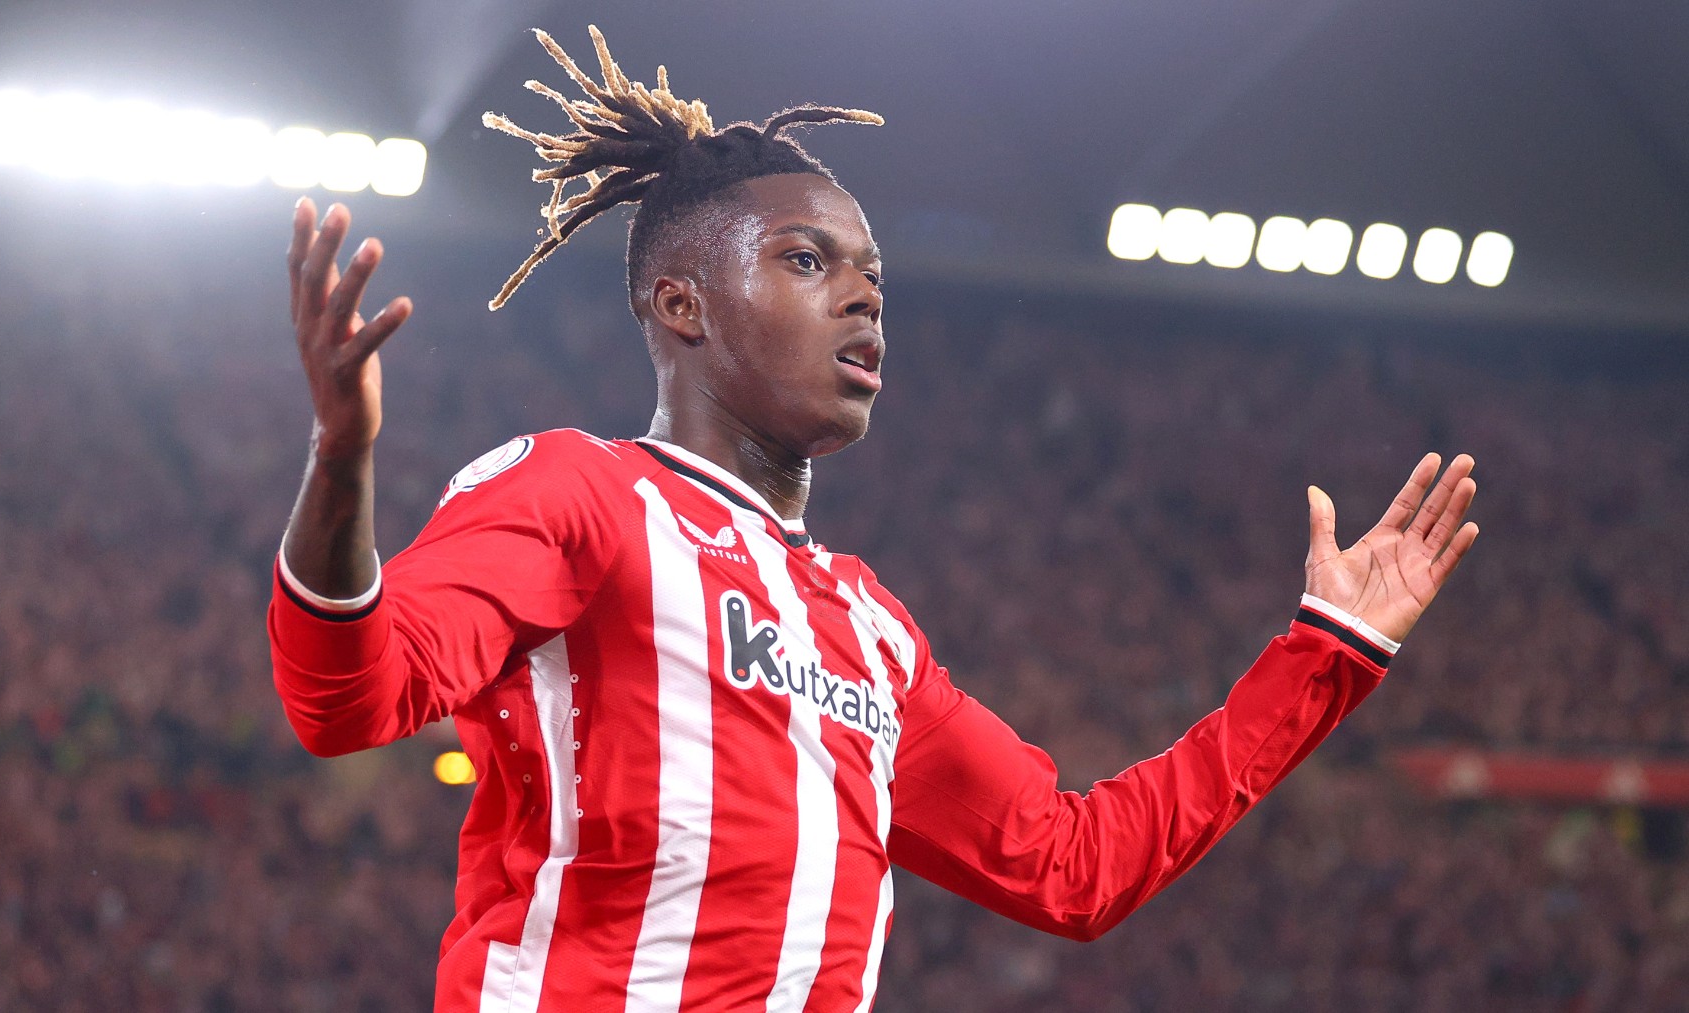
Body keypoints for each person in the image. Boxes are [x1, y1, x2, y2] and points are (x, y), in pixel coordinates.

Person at [267, 26, 1480, 1013]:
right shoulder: (580, 493)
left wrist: (1328, 650)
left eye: (871, 276)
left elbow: (1074, 867)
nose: (859, 294)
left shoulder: (870, 632)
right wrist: (342, 458)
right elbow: (349, 696)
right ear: (681, 303)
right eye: (806, 261)